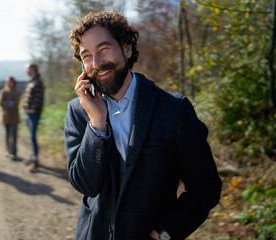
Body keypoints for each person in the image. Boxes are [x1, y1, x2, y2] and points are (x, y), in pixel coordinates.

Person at [64, 11, 222, 240]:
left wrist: (165, 232)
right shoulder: (79, 111)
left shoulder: (174, 110)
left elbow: (206, 188)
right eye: (86, 55)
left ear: (127, 49)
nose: (96, 63)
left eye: (104, 49)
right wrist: (96, 124)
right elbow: (84, 184)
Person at [22, 62, 44, 171]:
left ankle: (35, 160)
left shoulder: (38, 83)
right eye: (26, 69)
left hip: (33, 114)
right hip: (29, 114)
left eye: (29, 69)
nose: (27, 71)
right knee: (31, 136)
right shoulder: (32, 82)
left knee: (33, 137)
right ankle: (32, 156)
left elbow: (38, 101)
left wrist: (30, 110)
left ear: (34, 70)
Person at [0, 76, 21, 160]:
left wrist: (6, 104)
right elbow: (0, 102)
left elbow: (16, 104)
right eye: (7, 81)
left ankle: (13, 152)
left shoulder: (17, 92)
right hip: (6, 117)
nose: (8, 83)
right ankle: (7, 150)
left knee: (13, 135)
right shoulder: (3, 92)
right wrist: (9, 103)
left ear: (13, 82)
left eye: (10, 81)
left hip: (14, 117)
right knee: (7, 135)